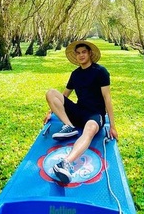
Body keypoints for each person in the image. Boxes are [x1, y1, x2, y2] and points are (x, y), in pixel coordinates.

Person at [44, 40, 118, 183]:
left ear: (90, 53)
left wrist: (113, 126)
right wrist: (50, 112)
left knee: (89, 129)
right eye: (78, 53)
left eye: (84, 52)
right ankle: (69, 126)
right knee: (51, 93)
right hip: (78, 111)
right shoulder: (75, 74)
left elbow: (107, 98)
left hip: (94, 115)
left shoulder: (100, 72)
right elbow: (64, 95)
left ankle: (66, 163)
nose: (81, 55)